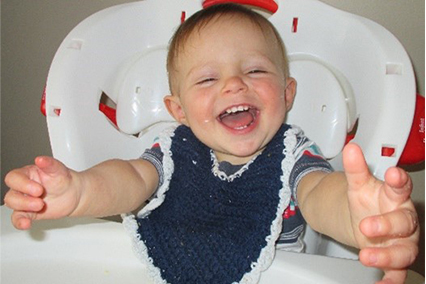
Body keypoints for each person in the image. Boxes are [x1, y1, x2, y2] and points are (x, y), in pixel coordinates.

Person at [4, 3, 419, 284]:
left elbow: (319, 194)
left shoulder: (293, 154)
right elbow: (129, 178)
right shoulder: (171, 148)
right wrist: (79, 190)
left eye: (256, 71)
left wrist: (360, 219)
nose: (235, 84)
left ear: (288, 93)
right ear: (178, 108)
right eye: (207, 79)